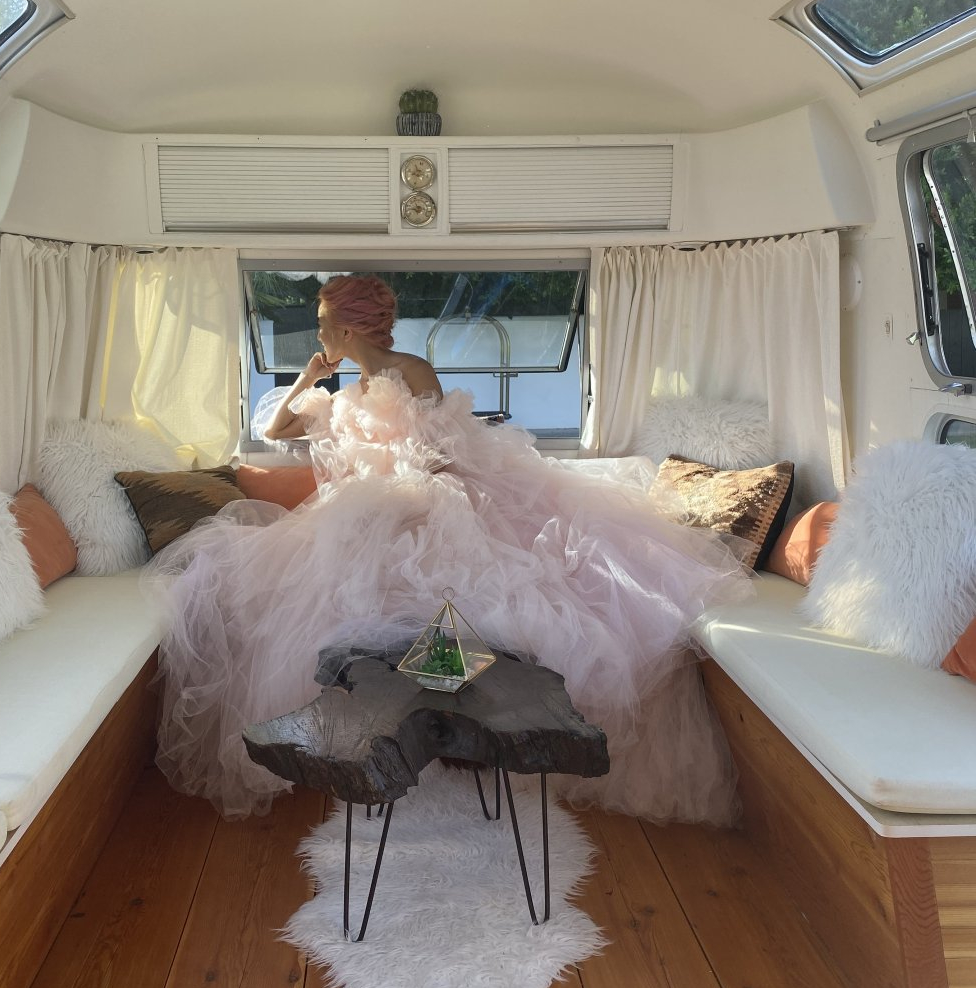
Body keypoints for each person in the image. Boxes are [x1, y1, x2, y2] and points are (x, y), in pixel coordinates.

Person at [149, 273, 754, 822]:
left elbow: (445, 452)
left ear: (347, 329)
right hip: (371, 509)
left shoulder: (411, 370)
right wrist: (309, 379)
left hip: (430, 498)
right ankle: (387, 734)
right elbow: (276, 429)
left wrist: (397, 486)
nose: (318, 333)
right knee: (318, 593)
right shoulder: (344, 392)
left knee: (473, 600)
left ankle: (465, 735)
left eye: (322, 322)